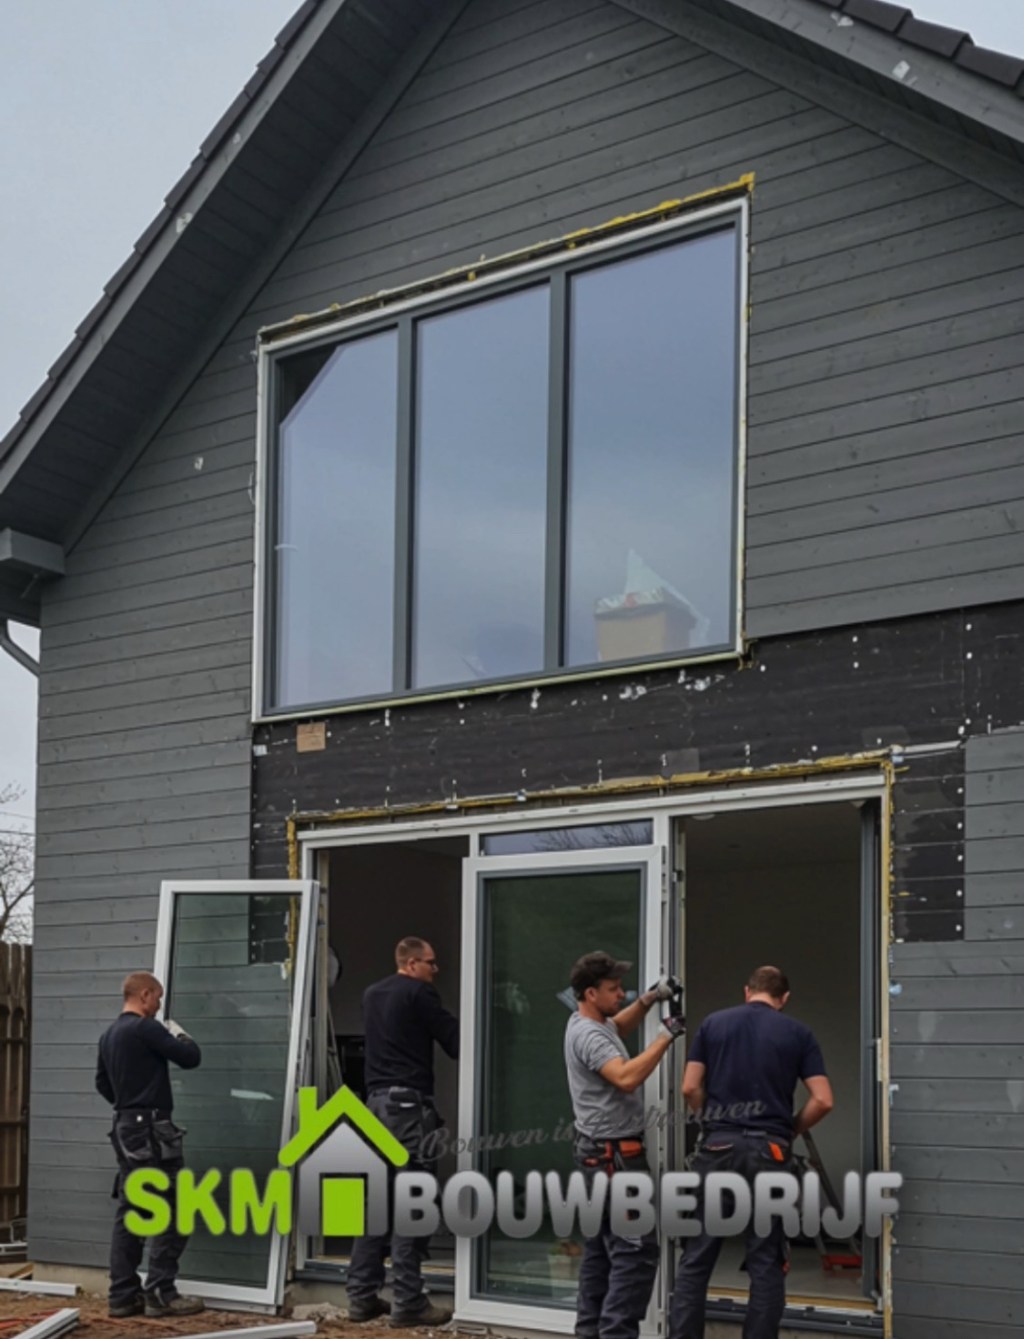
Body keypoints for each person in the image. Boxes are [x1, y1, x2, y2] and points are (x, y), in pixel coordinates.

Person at [670, 965, 835, 1339]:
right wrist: (789, 1130)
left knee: (697, 1256)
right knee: (765, 1260)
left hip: (718, 1146)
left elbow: (689, 1087)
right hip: (770, 1151)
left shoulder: (713, 1024)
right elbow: (823, 1100)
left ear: (747, 991)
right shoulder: (799, 1033)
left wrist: (711, 1122)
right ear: (784, 998)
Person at [565, 951, 686, 1339]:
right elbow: (625, 1077)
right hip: (614, 1160)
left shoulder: (591, 1023)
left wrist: (649, 999)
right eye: (613, 989)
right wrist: (666, 1036)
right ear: (590, 993)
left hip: (599, 1157)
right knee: (635, 1251)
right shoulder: (588, 1035)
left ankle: (589, 1332)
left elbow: (618, 1025)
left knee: (601, 1252)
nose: (621, 994)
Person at [347, 936, 459, 1328]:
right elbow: (457, 1042)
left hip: (375, 1106)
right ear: (411, 964)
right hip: (408, 1109)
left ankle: (361, 1297)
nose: (435, 970)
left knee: (377, 1202)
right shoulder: (418, 993)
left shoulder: (372, 994)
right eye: (430, 962)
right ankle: (409, 1301)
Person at [95, 971, 204, 1320]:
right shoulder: (146, 1028)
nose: (158, 1005)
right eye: (157, 997)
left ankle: (123, 1297)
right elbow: (190, 1057)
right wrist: (179, 1033)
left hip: (126, 1128)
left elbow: (102, 1083)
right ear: (144, 994)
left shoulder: (109, 1035)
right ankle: (160, 1293)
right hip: (153, 1131)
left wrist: (130, 1105)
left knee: (133, 1210)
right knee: (178, 1206)